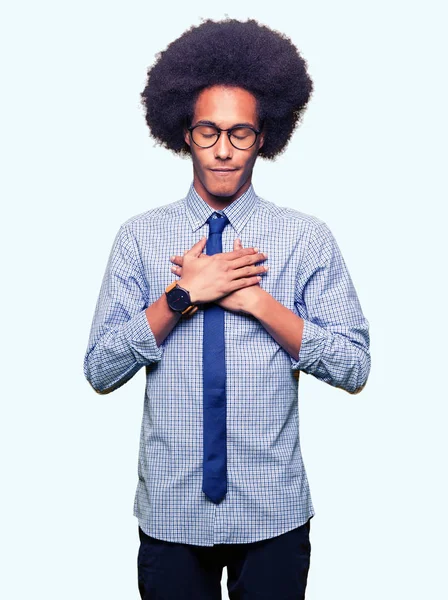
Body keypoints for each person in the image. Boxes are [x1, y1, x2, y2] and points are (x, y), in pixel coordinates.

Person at [83, 17, 371, 600]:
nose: (222, 150)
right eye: (207, 132)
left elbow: (354, 367)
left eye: (239, 134)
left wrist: (256, 302)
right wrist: (184, 295)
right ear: (182, 133)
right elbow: (99, 370)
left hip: (273, 513)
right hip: (170, 514)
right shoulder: (139, 238)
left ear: (263, 137)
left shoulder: (305, 239)